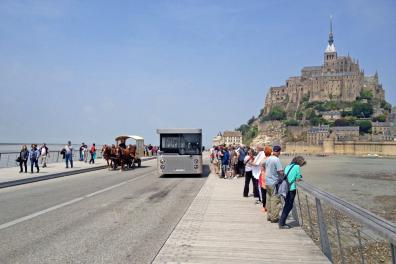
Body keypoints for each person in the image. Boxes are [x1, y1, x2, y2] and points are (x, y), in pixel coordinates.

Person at [279, 156, 306, 229]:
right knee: (289, 205)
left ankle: (282, 222)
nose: (301, 165)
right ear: (299, 162)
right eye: (302, 164)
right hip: (291, 188)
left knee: (287, 205)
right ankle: (282, 223)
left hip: (285, 188)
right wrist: (299, 177)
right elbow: (297, 177)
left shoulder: (288, 166)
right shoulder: (297, 167)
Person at [265, 145, 284, 223]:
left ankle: (269, 216)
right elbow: (280, 171)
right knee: (275, 200)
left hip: (267, 181)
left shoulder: (268, 158)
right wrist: (284, 174)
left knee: (269, 199)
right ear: (279, 151)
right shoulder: (276, 160)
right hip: (274, 182)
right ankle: (274, 217)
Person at [259, 146, 273, 212]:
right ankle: (270, 206)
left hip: (263, 176)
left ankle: (264, 207)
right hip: (271, 177)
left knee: (263, 192)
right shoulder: (273, 159)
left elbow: (261, 169)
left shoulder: (263, 160)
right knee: (271, 193)